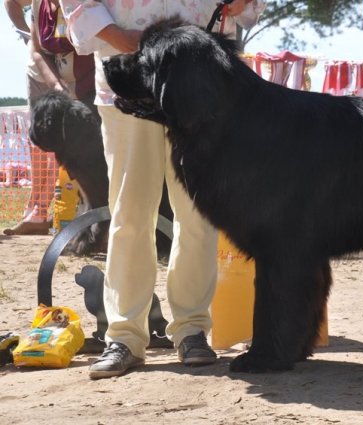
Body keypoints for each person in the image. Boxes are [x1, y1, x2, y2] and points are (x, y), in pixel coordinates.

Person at [58, 0, 265, 379]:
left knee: (198, 215)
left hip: (200, 82)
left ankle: (192, 331)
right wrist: (120, 38)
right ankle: (124, 336)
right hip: (127, 79)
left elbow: (247, 6)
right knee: (130, 215)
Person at [3, 0, 95, 236]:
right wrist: (56, 87)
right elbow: (35, 47)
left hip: (89, 80)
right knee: (48, 147)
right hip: (52, 78)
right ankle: (42, 213)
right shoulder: (38, 6)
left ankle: (91, 216)